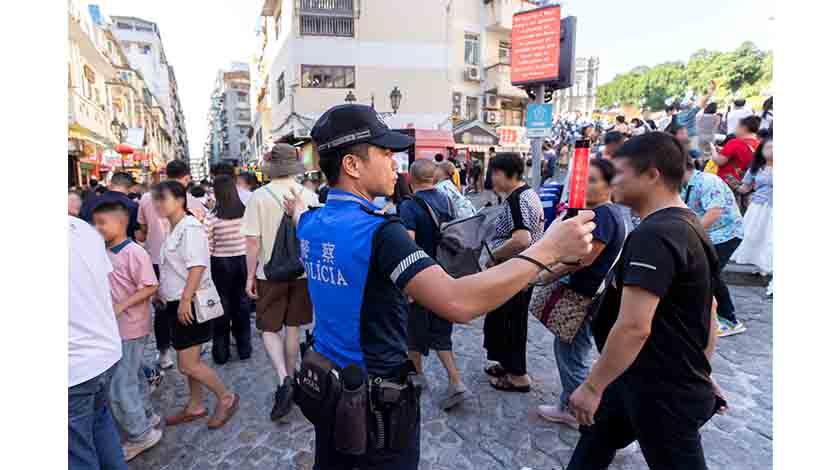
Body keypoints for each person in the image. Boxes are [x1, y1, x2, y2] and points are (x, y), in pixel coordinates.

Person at [286, 103, 595, 470]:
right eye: (384, 153)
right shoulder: (380, 233)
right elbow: (458, 302)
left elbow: (344, 265)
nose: (394, 162)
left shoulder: (309, 221)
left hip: (326, 391)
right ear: (352, 165)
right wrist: (548, 249)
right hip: (375, 411)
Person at [567, 132, 723, 470]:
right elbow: (706, 310)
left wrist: (592, 386)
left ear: (652, 174)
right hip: (633, 374)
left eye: (619, 173)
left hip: (661, 389)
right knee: (595, 442)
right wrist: (702, 368)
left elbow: (635, 326)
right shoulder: (688, 225)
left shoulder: (656, 234)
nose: (611, 181)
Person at [536, 159, 627, 428]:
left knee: (572, 357)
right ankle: (568, 405)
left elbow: (583, 258)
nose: (584, 185)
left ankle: (589, 418)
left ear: (610, 185)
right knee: (568, 351)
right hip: (586, 295)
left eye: (593, 180)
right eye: (583, 179)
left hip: (584, 298)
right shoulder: (603, 213)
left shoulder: (604, 215)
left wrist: (544, 273)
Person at [241, 143, 319, 421]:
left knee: (269, 328)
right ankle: (293, 375)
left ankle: (283, 377)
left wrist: (250, 275)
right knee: (293, 327)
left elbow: (252, 240)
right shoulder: (310, 196)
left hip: (268, 274)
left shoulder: (258, 197)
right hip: (302, 273)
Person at [154, 181, 240, 429]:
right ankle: (195, 405)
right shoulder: (174, 227)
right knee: (187, 358)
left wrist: (184, 300)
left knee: (187, 364)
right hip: (176, 302)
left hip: (190, 303)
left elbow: (197, 265)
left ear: (180, 200)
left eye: (164, 198)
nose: (159, 203)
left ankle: (226, 396)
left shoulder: (189, 228)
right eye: (156, 199)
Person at [92, 202, 162, 461]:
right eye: (95, 223)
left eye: (102, 223)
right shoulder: (104, 250)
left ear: (120, 223)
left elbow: (150, 286)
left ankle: (140, 434)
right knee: (132, 377)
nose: (97, 228)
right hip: (116, 327)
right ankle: (145, 416)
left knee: (120, 385)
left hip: (131, 326)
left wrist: (121, 305)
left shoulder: (134, 252)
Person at [399, 159, 468, 410]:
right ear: (434, 177)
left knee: (413, 333)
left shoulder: (408, 206)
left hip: (421, 278)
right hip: (446, 274)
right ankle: (455, 380)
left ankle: (416, 383)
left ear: (410, 179)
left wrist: (408, 285)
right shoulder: (446, 199)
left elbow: (408, 245)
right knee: (440, 332)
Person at [69, 215, 128, 469]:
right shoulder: (81, 229)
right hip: (104, 351)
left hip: (74, 368)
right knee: (99, 423)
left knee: (77, 452)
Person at [483, 152, 545, 393]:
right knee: (505, 320)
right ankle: (507, 364)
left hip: (515, 272)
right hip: (522, 271)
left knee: (512, 323)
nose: (492, 179)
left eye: (494, 173)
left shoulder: (516, 199)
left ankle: (518, 376)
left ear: (505, 173)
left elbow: (521, 239)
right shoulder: (528, 193)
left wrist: (494, 255)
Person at [681, 154, 746, 337]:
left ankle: (730, 320)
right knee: (703, 273)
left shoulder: (708, 181)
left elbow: (714, 212)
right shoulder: (682, 184)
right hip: (707, 235)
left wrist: (689, 235)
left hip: (726, 234)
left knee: (710, 274)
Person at [206, 175, 252, 364]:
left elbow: (207, 246)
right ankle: (244, 348)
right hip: (243, 261)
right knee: (242, 304)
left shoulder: (212, 217)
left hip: (220, 264)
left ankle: (221, 352)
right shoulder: (246, 212)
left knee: (221, 307)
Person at [733, 138, 773, 296]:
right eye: (769, 147)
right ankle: (762, 265)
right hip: (758, 207)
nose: (772, 150)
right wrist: (731, 184)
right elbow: (745, 187)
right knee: (757, 236)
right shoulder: (756, 168)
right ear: (762, 150)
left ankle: (769, 265)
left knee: (772, 238)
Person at [711, 115, 761, 210]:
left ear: (743, 128)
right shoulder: (760, 144)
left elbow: (719, 161)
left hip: (730, 185)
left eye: (737, 127)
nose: (735, 130)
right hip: (751, 186)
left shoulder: (735, 143)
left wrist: (713, 151)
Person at [80, 172, 140, 240]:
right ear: (130, 187)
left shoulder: (89, 202)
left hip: (93, 245)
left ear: (111, 183)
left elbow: (82, 227)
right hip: (121, 248)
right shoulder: (132, 205)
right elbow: (138, 235)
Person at [673, 80, 717, 150]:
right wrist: (710, 93)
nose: (692, 102)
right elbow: (703, 101)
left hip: (681, 138)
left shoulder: (677, 116)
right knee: (696, 155)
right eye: (691, 101)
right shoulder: (691, 112)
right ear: (688, 105)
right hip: (692, 137)